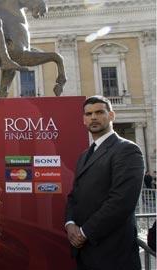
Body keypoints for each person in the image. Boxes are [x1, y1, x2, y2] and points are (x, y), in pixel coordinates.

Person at [65, 95, 144, 270]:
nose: (93, 117)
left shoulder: (127, 150)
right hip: (85, 253)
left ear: (111, 116)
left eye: (99, 112)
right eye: (89, 114)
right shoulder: (84, 156)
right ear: (84, 119)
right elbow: (74, 195)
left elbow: (121, 202)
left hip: (113, 253)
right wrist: (69, 224)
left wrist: (84, 233)